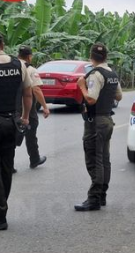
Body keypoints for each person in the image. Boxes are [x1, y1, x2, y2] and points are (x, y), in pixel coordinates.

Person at [74, 43, 123, 211]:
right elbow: (119, 96)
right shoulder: (112, 74)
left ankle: (94, 198)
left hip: (96, 122)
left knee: (94, 159)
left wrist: (82, 86)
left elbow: (91, 99)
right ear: (106, 57)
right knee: (104, 159)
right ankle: (102, 195)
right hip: (107, 119)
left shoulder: (95, 75)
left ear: (91, 56)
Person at [0, 33, 33, 230]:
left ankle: (1, 213)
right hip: (11, 121)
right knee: (6, 167)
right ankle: (2, 212)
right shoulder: (18, 65)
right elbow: (28, 93)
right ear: (3, 44)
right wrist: (25, 117)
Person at [17, 46, 50, 170]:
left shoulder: (11, 66)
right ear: (29, 57)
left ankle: (8, 165)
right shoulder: (30, 69)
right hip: (27, 106)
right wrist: (45, 107)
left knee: (11, 133)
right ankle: (34, 159)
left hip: (11, 106)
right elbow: (36, 89)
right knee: (31, 133)